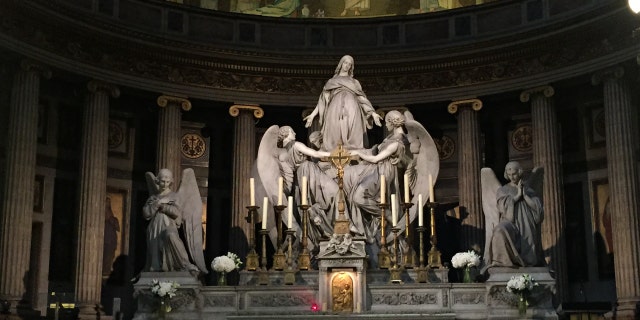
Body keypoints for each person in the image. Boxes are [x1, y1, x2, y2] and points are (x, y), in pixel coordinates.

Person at [347, 110, 412, 243]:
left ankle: (388, 215)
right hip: (375, 170)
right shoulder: (390, 138)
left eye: (386, 123)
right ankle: (378, 216)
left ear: (392, 122)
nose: (385, 126)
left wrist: (358, 153)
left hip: (383, 172)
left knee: (357, 197)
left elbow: (376, 159)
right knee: (353, 189)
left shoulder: (398, 141)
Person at [303, 55, 382, 152]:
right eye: (345, 62)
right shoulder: (331, 81)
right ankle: (334, 152)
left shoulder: (354, 82)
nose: (347, 65)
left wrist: (373, 113)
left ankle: (352, 152)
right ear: (341, 63)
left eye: (350, 64)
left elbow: (362, 98)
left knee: (351, 130)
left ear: (351, 67)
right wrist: (312, 115)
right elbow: (322, 101)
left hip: (352, 107)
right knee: (335, 130)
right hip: (335, 108)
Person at [483, 161, 544, 270]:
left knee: (528, 244)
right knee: (499, 230)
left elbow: (538, 208)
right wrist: (517, 196)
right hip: (509, 222)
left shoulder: (529, 190)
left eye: (514, 173)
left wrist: (525, 196)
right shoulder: (503, 190)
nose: (512, 176)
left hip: (526, 222)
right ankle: (502, 261)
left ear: (519, 172)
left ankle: (527, 263)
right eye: (509, 174)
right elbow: (502, 207)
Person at [142, 169, 200, 274]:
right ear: (157, 181)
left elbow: (177, 212)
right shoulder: (153, 197)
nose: (165, 184)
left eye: (167, 182)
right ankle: (157, 271)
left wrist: (163, 206)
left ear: (171, 182)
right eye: (162, 181)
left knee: (171, 236)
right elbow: (146, 213)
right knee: (155, 255)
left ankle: (184, 264)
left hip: (168, 224)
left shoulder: (174, 196)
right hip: (154, 228)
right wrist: (158, 202)